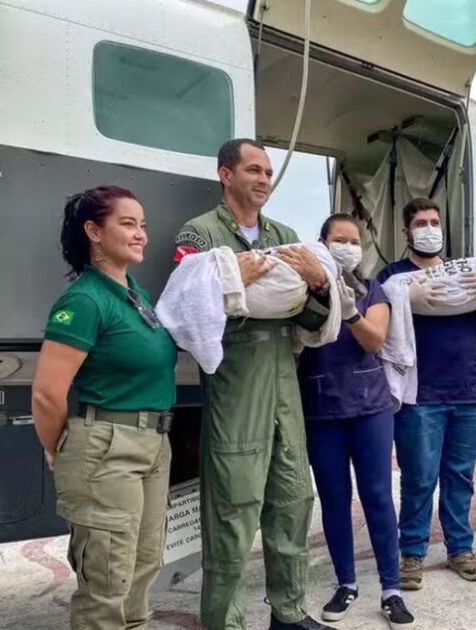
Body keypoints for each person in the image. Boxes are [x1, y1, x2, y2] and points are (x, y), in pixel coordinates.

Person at [174, 139, 336, 630]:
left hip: (284, 370)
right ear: (226, 175)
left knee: (291, 498)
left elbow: (313, 312)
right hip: (234, 375)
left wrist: (322, 285)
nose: (264, 179)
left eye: (268, 172)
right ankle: (225, 622)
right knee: (233, 506)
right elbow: (187, 303)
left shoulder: (285, 234)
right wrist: (228, 280)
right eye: (253, 170)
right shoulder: (200, 233)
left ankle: (288, 612)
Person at [32, 186, 177, 629]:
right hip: (108, 447)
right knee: (107, 583)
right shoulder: (84, 300)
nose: (141, 235)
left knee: (142, 568)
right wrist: (58, 446)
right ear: (94, 231)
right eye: (128, 224)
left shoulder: (134, 294)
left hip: (153, 443)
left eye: (143, 225)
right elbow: (46, 393)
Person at [375, 197, 476, 590]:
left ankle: (460, 548)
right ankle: (412, 553)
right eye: (420, 223)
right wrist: (404, 299)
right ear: (406, 232)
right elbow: (381, 328)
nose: (429, 228)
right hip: (421, 395)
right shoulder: (394, 275)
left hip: (469, 390)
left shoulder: (466, 273)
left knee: (461, 476)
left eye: (434, 221)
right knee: (418, 477)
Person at [297, 215, 414, 629]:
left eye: (353, 240)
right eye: (338, 240)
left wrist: (348, 310)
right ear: (321, 242)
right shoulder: (300, 290)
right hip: (321, 409)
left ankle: (391, 588)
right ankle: (346, 583)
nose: (347, 246)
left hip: (370, 409)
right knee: (333, 499)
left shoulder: (372, 290)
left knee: (378, 495)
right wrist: (319, 297)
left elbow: (374, 340)